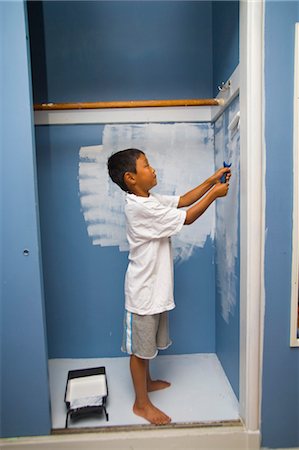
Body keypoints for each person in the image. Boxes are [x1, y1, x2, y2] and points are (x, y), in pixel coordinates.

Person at [107, 148, 231, 426]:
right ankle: (141, 405)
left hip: (157, 291)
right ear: (131, 178)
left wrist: (211, 181)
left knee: (148, 345)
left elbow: (183, 201)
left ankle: (147, 383)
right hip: (142, 294)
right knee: (139, 351)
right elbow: (187, 217)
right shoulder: (138, 209)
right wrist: (214, 195)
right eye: (146, 166)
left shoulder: (148, 200)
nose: (153, 169)